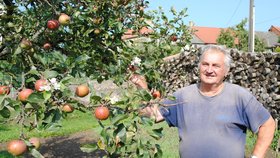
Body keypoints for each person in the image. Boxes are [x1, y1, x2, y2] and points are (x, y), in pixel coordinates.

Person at [131, 45, 276, 158]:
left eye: (216, 65)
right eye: (205, 64)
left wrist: (256, 156)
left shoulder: (239, 96)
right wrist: (142, 88)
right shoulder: (182, 96)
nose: (209, 70)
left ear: (226, 71)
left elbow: (268, 125)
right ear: (199, 67)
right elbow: (154, 114)